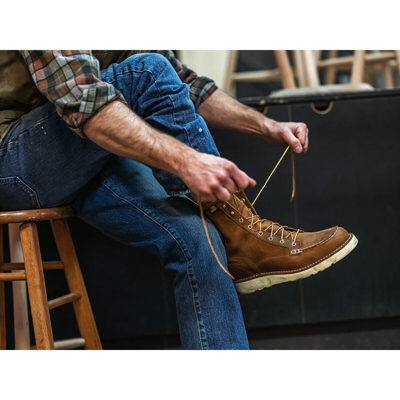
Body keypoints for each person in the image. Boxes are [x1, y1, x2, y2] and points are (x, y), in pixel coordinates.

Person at [0, 50, 357, 349]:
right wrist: (187, 162)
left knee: (201, 237)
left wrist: (263, 125)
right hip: (12, 162)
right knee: (146, 70)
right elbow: (86, 104)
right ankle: (244, 235)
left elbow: (185, 84)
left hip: (77, 152)